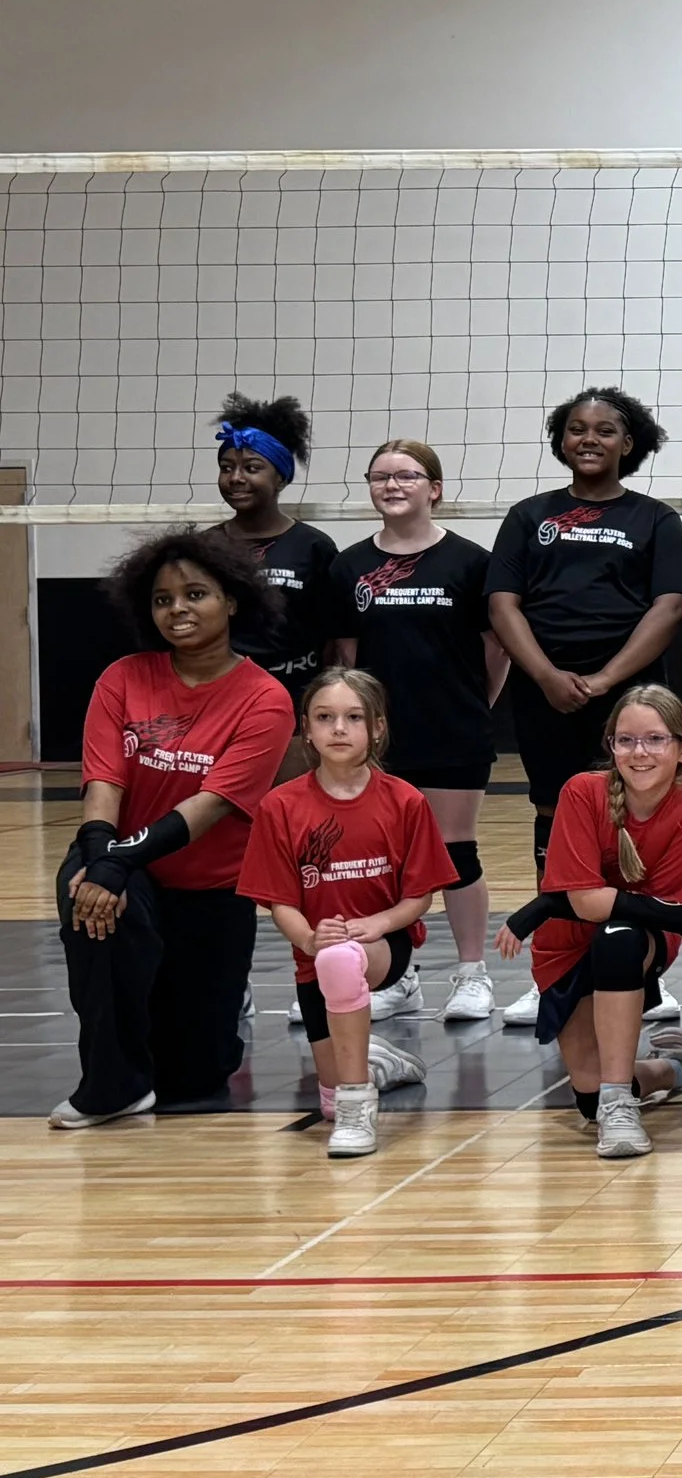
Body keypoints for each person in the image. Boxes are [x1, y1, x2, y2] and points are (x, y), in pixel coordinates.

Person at [56, 531, 297, 1127]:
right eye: (163, 600)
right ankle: (110, 1086)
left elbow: (212, 804)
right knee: (91, 893)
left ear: (232, 601)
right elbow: (104, 779)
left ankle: (170, 1044)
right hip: (127, 869)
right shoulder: (123, 677)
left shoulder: (265, 699)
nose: (178, 609)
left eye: (195, 594)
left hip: (208, 892)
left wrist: (117, 858)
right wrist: (103, 856)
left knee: (194, 1076)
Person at [485, 385, 682, 944]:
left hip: (631, 693)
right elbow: (502, 604)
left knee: (638, 806)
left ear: (628, 444)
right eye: (577, 428)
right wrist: (545, 675)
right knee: (553, 808)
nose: (589, 439)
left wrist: (607, 679)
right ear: (560, 440)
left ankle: (641, 954)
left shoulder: (655, 518)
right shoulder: (528, 516)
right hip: (546, 690)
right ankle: (556, 952)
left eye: (605, 430)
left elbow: (672, 606)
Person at [493, 687, 682, 1159]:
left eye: (655, 739)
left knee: (618, 936)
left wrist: (674, 916)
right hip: (566, 943)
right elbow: (584, 901)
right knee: (587, 1099)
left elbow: (658, 903)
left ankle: (620, 1103)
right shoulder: (583, 791)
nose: (639, 752)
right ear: (612, 745)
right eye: (626, 740)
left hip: (640, 941)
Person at [237, 669, 452, 1155]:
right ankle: (379, 1066)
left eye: (353, 717)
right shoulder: (279, 806)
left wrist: (378, 923)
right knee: (328, 1099)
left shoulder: (405, 801)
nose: (338, 728)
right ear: (306, 729)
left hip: (383, 944)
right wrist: (309, 939)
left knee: (341, 958)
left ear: (377, 727)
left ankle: (359, 1105)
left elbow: (420, 897)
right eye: (324, 717)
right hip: (314, 954)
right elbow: (281, 903)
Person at [330, 439, 507, 1024]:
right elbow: (347, 659)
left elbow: (496, 649)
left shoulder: (470, 562)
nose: (392, 485)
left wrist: (474, 705)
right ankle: (397, 975)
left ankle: (473, 973)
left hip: (453, 727)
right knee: (385, 858)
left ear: (435, 489)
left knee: (454, 852)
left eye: (406, 475)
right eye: (380, 476)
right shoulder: (349, 566)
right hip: (380, 737)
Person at [212, 392, 338, 707]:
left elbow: (331, 634)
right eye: (226, 468)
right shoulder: (205, 546)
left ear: (280, 478)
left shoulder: (314, 546)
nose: (236, 478)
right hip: (221, 696)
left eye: (252, 468)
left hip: (295, 695)